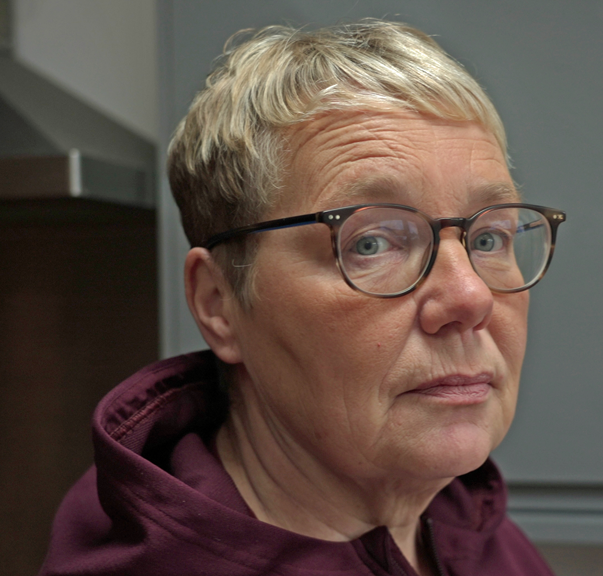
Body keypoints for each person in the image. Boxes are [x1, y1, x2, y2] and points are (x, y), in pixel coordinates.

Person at [39, 19, 565, 576]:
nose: (469, 296)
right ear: (219, 304)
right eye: (371, 242)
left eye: (489, 238)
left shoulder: (481, 536)